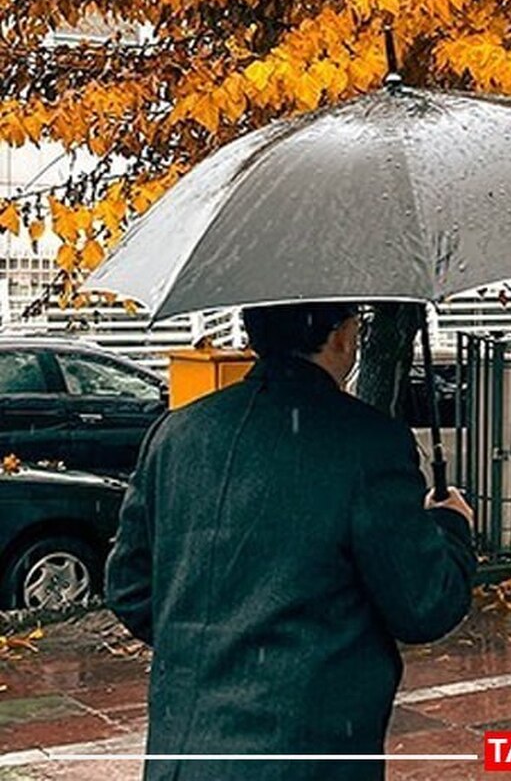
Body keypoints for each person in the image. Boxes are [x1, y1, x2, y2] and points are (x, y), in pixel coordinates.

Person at [106, 302, 476, 780]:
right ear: (343, 335)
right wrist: (451, 526)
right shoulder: (368, 443)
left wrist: (216, 648)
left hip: (183, 757)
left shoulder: (176, 433)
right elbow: (424, 604)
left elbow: (131, 589)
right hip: (303, 755)